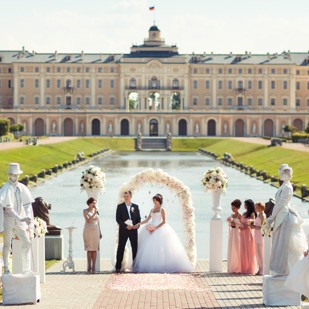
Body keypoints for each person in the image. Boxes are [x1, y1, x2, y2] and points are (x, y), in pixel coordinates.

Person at [133, 194, 194, 273]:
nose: (154, 202)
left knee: (162, 248)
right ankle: (150, 265)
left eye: (155, 200)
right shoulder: (152, 209)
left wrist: (155, 228)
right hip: (151, 227)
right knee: (149, 248)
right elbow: (147, 220)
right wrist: (138, 224)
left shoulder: (162, 209)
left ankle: (163, 265)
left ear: (159, 201)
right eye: (153, 200)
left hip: (160, 228)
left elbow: (164, 221)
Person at [265, 164, 307, 275]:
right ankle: (281, 269)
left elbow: (279, 204)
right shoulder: (284, 186)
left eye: (282, 173)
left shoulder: (288, 187)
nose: (280, 175)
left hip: (284, 215)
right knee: (280, 243)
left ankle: (287, 270)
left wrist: (270, 218)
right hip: (281, 214)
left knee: (285, 244)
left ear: (287, 175)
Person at [0, 163, 34, 274]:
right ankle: (6, 268)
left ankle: (26, 268)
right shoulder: (6, 188)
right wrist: (20, 218)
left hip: (20, 220)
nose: (16, 177)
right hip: (9, 219)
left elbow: (27, 205)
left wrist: (27, 216)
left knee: (27, 242)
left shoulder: (22, 188)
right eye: (13, 175)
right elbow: (8, 208)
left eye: (17, 175)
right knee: (7, 244)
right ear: (10, 175)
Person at [115, 191, 141, 272]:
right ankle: (118, 267)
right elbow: (118, 219)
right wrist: (126, 226)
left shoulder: (135, 206)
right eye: (125, 196)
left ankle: (135, 266)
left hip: (133, 230)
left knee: (135, 248)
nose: (126, 197)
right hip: (123, 230)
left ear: (131, 197)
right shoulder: (120, 206)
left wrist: (137, 225)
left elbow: (139, 218)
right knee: (121, 248)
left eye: (128, 196)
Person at [83, 197, 101, 274]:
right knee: (89, 249)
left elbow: (98, 222)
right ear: (89, 203)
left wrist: (100, 232)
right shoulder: (85, 211)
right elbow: (88, 220)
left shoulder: (96, 211)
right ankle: (89, 266)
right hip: (88, 230)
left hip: (96, 231)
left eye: (95, 203)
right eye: (93, 203)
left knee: (95, 249)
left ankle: (94, 266)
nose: (94, 204)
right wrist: (94, 213)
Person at [239, 199, 256, 274]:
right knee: (243, 250)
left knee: (249, 250)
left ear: (248, 205)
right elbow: (240, 222)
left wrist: (244, 227)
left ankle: (250, 268)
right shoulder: (243, 213)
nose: (244, 206)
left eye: (245, 204)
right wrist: (239, 226)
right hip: (242, 233)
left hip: (248, 233)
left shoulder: (252, 214)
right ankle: (244, 268)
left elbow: (252, 226)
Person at [226, 199, 242, 273]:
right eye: (232, 208)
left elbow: (241, 225)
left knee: (237, 248)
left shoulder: (240, 215)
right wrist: (230, 223)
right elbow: (230, 224)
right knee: (231, 247)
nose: (232, 209)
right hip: (232, 232)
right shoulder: (232, 215)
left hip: (237, 232)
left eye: (234, 208)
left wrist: (235, 224)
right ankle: (231, 267)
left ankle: (237, 267)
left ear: (237, 208)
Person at [252, 202, 266, 275]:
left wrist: (254, 227)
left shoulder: (263, 216)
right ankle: (260, 268)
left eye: (256, 207)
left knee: (261, 252)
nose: (255, 208)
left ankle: (263, 269)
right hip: (256, 234)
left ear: (261, 207)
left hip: (260, 235)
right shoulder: (259, 215)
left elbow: (262, 227)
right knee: (257, 252)